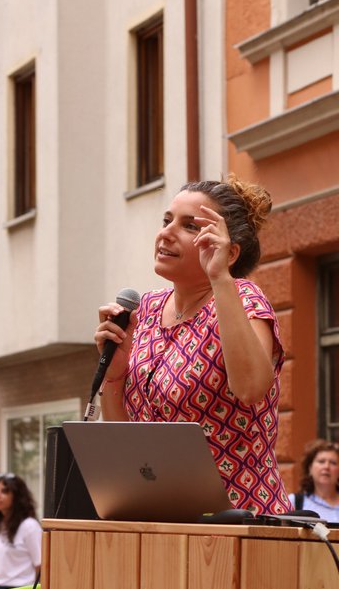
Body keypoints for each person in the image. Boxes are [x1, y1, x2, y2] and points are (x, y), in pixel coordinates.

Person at [95, 176, 290, 516]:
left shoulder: (243, 298)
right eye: (167, 220)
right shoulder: (147, 309)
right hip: (160, 517)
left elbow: (250, 389)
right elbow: (124, 439)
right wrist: (114, 375)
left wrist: (220, 278)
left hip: (240, 521)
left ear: (229, 252)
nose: (166, 233)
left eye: (189, 226)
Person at [291, 439, 339, 519]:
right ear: (310, 468)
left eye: (333, 463)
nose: (326, 467)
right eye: (321, 461)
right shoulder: (295, 502)